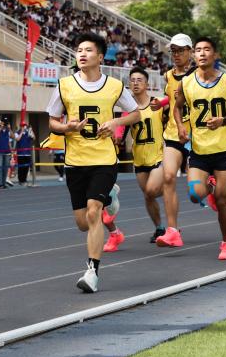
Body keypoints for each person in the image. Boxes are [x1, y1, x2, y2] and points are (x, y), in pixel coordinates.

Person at [47, 31, 140, 293]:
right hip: (75, 161)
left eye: (88, 50)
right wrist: (68, 127)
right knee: (82, 223)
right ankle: (111, 196)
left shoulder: (114, 86)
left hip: (104, 158)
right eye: (79, 50)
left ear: (100, 57)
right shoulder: (64, 86)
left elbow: (135, 114)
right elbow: (52, 122)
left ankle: (92, 272)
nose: (82, 54)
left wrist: (116, 122)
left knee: (93, 211)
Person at [174, 37, 226, 260]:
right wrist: (180, 127)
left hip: (223, 149)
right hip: (198, 150)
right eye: (198, 50)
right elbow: (177, 108)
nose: (202, 53)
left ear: (215, 55)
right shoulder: (186, 82)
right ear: (194, 55)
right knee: (195, 194)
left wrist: (223, 120)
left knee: (223, 200)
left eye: (207, 50)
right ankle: (210, 188)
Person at [115, 66, 165, 248]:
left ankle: (169, 187)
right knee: (148, 196)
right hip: (140, 159)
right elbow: (121, 131)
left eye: (139, 80)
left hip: (159, 157)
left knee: (152, 190)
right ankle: (159, 228)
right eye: (132, 80)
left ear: (147, 84)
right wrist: (116, 139)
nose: (135, 83)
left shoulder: (157, 104)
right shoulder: (129, 109)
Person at [155, 33, 195, 248]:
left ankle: (209, 189)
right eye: (174, 51)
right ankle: (172, 231)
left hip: (197, 137)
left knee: (196, 191)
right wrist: (160, 104)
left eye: (181, 50)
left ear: (190, 51)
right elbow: (171, 98)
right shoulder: (168, 75)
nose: (176, 55)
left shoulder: (200, 75)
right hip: (173, 133)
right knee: (168, 177)